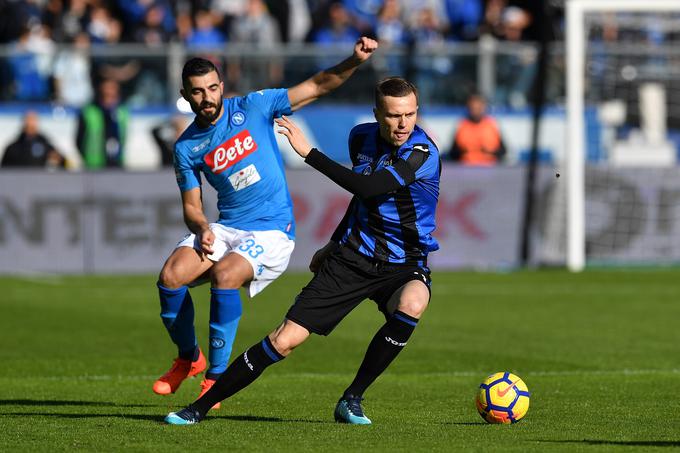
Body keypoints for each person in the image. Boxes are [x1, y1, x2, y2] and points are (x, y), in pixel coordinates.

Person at [164, 76, 441, 425]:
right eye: (393, 115)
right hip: (353, 257)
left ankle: (352, 399)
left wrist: (309, 153)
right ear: (376, 113)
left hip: (405, 263)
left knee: (413, 302)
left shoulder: (422, 153)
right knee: (284, 340)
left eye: (410, 114)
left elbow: (369, 188)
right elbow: (362, 203)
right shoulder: (361, 137)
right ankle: (199, 408)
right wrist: (335, 243)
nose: (402, 123)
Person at [153, 37, 379, 409]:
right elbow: (192, 206)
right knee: (171, 277)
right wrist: (200, 227)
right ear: (186, 95)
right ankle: (189, 358)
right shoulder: (186, 147)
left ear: (221, 87)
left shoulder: (254, 106)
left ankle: (215, 379)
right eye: (198, 92)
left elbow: (320, 84)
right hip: (226, 226)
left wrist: (354, 60)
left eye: (212, 88)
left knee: (226, 275)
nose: (207, 97)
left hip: (272, 229)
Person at [75, 79, 129, 169]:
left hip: (117, 162)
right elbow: (79, 139)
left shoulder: (122, 111)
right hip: (93, 164)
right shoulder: (89, 111)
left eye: (112, 90)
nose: (109, 92)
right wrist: (86, 157)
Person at [449, 92, 506, 165]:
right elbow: (452, 153)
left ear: (483, 107)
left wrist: (489, 152)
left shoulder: (492, 126)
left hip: (489, 169)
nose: (475, 111)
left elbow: (503, 151)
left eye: (478, 108)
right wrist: (466, 151)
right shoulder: (462, 126)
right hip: (466, 169)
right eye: (473, 108)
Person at [1, 111, 66, 169]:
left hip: (39, 180)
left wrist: (58, 159)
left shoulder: (45, 144)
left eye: (33, 120)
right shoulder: (12, 148)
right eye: (28, 120)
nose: (30, 123)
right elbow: (4, 170)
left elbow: (63, 161)